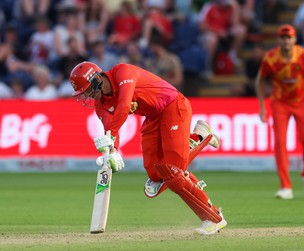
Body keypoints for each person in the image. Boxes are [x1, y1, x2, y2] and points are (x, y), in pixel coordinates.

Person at [69, 61, 227, 235]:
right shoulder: (101, 105)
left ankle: (214, 218)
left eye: (88, 91)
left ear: (96, 80)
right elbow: (109, 130)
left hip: (173, 106)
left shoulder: (123, 72)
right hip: (153, 117)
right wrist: (112, 152)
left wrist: (111, 135)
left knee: (174, 174)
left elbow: (123, 106)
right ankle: (197, 137)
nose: (88, 97)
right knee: (156, 176)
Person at [255, 24, 304, 199]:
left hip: (303, 102)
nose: (286, 41)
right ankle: (285, 186)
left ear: (294, 39)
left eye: (289, 37)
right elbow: (260, 82)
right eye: (283, 38)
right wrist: (262, 107)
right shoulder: (270, 58)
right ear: (279, 40)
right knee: (280, 142)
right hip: (280, 103)